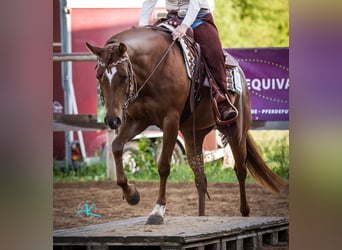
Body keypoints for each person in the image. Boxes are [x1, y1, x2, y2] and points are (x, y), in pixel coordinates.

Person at [139, 0, 237, 121]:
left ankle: (222, 100)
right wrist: (143, 28)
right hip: (172, 17)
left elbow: (195, 4)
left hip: (198, 18)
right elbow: (149, 2)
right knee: (152, 46)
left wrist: (184, 26)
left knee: (213, 52)